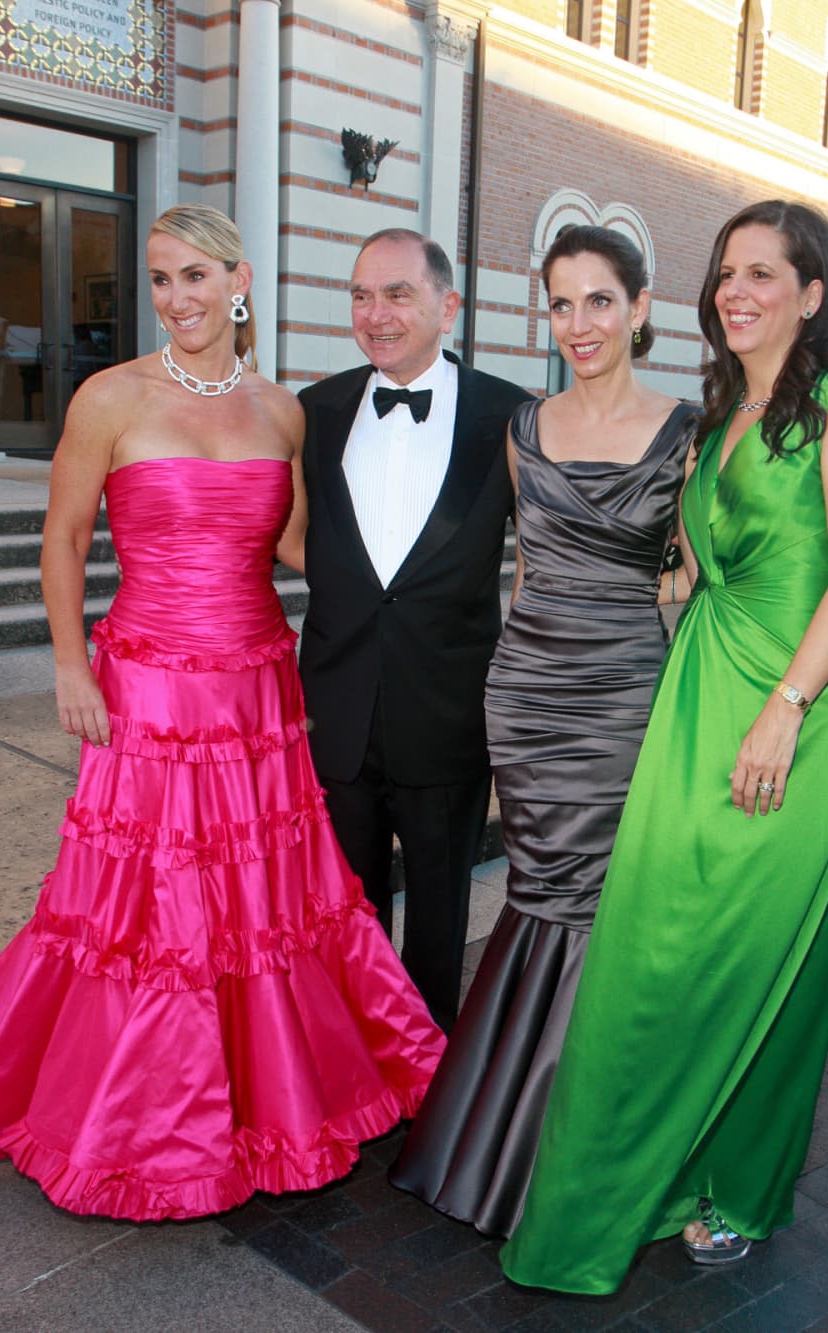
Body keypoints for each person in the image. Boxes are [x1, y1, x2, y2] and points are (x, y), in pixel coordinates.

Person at [0, 204, 445, 1221]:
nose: (176, 297)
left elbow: (301, 549)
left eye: (194, 275)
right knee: (150, 909)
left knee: (261, 902)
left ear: (239, 280)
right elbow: (62, 538)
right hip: (146, 688)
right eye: (160, 278)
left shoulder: (281, 412)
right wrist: (70, 665)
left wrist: (418, 570)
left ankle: (268, 1095)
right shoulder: (110, 397)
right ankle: (147, 1119)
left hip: (258, 687)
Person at [500, 200, 828, 1294]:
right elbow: (685, 572)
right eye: (727, 271)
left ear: (812, 294)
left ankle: (738, 1187)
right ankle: (659, 1172)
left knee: (760, 959)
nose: (737, 291)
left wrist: (796, 696)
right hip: (696, 701)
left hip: (791, 723)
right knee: (663, 954)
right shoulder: (720, 420)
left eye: (763, 273)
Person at [388, 225, 699, 1234]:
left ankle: (575, 1148)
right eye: (561, 304)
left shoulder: (687, 431)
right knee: (538, 893)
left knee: (606, 906)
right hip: (527, 694)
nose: (578, 324)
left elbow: (708, 573)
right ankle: (510, 1138)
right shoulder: (524, 427)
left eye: (599, 300)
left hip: (625, 697)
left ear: (640, 308)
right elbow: (522, 570)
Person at [291, 229, 531, 1033]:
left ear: (447, 306)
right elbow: (290, 535)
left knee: (438, 922)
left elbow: (550, 554)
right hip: (337, 713)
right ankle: (350, 1067)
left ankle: (431, 1072)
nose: (375, 313)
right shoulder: (315, 411)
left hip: (449, 715)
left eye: (397, 294)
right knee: (342, 920)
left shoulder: (510, 415)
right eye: (361, 295)